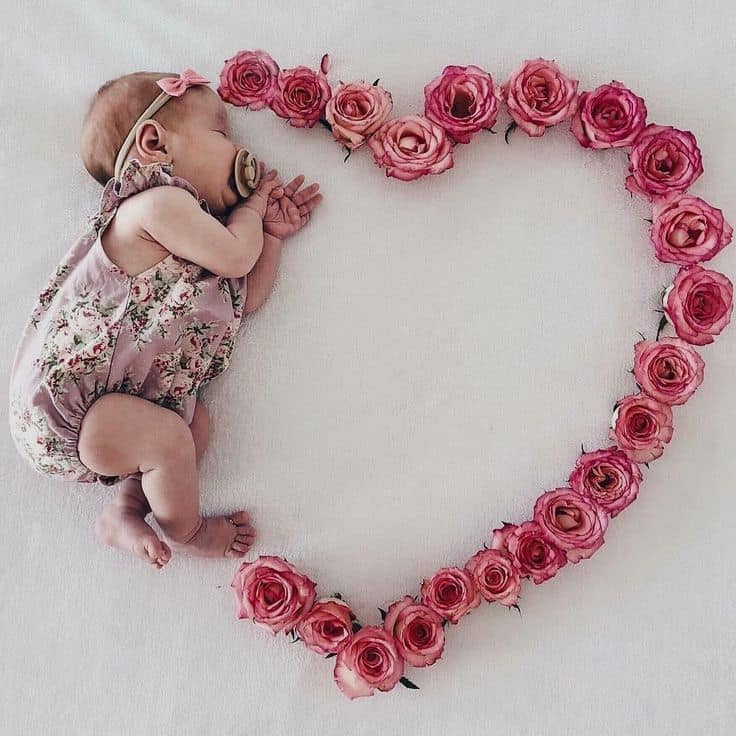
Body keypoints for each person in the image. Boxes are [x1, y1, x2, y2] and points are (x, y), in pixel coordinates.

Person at [7, 69, 323, 569]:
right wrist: (254, 207)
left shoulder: (199, 241)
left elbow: (242, 302)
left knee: (193, 427)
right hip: (69, 407)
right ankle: (187, 530)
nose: (238, 150)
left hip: (116, 410)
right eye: (221, 135)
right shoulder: (154, 205)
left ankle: (127, 509)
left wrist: (274, 238)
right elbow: (238, 257)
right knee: (172, 438)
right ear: (155, 142)